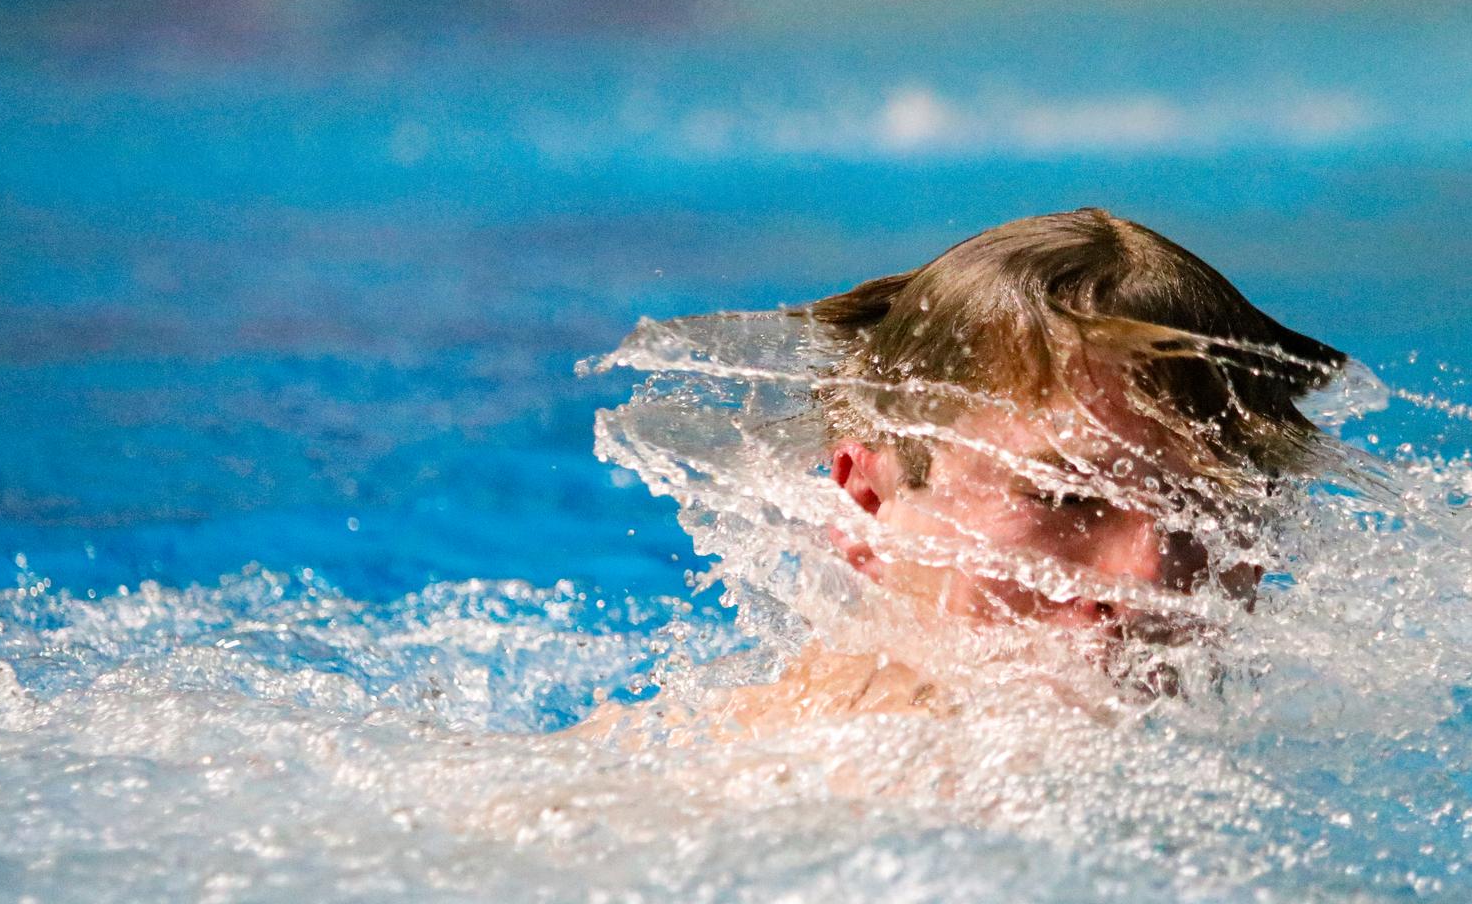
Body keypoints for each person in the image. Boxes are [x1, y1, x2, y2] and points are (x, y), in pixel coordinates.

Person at [575, 208, 1344, 744]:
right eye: (1063, 495)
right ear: (867, 500)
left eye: (1207, 511)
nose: (1149, 573)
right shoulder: (665, 806)